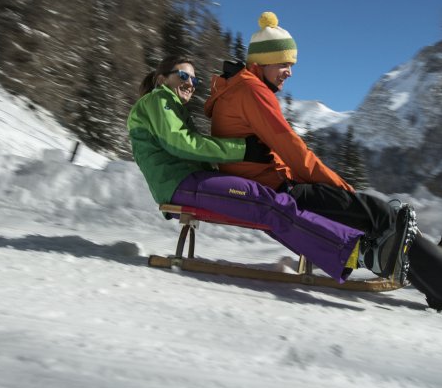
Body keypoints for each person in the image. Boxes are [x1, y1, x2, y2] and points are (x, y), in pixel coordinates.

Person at [203, 12, 442, 319]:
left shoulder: (239, 89)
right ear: (261, 62)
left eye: (291, 63)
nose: (290, 72)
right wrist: (337, 184)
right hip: (275, 190)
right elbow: (291, 149)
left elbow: (278, 151)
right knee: (381, 214)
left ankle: (432, 268)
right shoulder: (252, 92)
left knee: (381, 216)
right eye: (283, 63)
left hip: (272, 183)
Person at [127, 55, 368, 282]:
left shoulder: (171, 107)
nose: (190, 83)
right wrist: (242, 149)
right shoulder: (158, 99)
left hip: (188, 183)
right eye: (183, 76)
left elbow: (185, 147)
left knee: (267, 204)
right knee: (265, 202)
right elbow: (181, 144)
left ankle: (329, 252)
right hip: (180, 185)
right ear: (161, 79)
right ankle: (354, 251)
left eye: (194, 79)